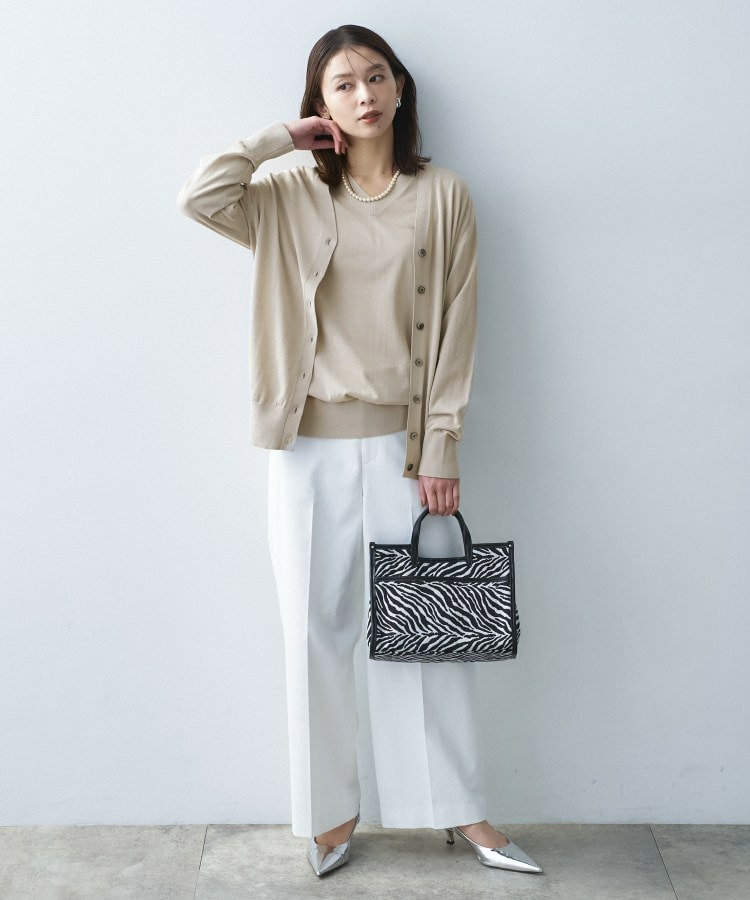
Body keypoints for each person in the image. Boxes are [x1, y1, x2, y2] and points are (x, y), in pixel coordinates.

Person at [177, 23, 542, 879]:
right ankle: (330, 815)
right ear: (320, 103)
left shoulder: (443, 195)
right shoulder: (285, 195)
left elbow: (457, 329)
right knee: (315, 630)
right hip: (305, 449)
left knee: (427, 631)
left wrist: (440, 446)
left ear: (400, 86)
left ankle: (459, 810)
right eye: (341, 84)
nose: (363, 95)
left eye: (375, 77)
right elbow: (199, 197)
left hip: (405, 451)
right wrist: (280, 139)